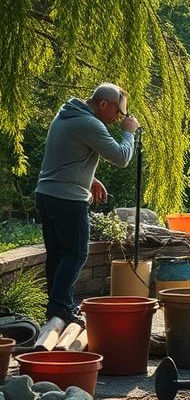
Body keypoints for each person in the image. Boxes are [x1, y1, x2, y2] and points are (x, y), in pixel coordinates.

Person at [35, 83, 140, 323]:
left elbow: (66, 157)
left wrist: (90, 178)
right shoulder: (89, 123)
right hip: (68, 199)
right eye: (117, 112)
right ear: (103, 104)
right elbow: (121, 158)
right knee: (76, 254)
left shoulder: (66, 115)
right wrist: (129, 133)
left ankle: (57, 307)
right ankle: (60, 307)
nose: (118, 118)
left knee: (57, 256)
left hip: (46, 195)